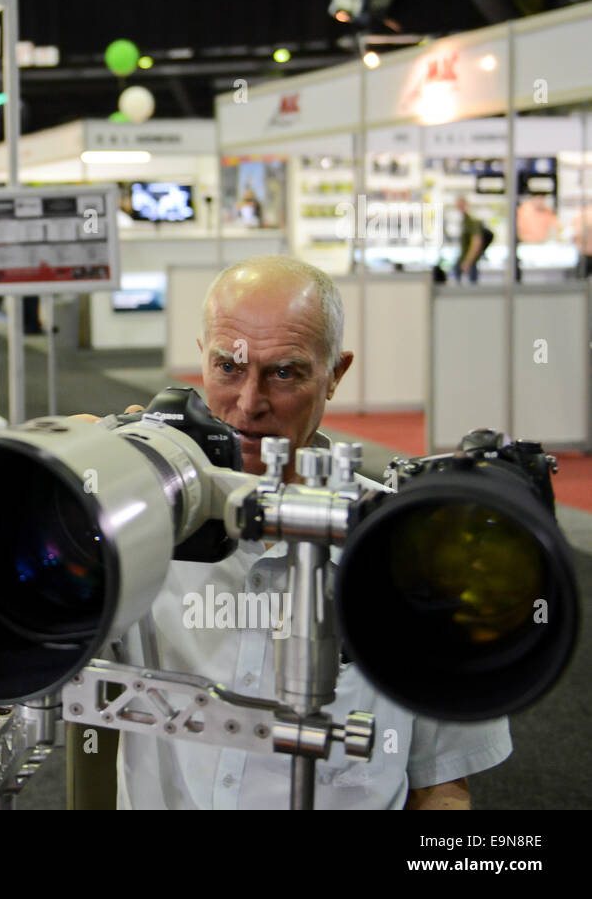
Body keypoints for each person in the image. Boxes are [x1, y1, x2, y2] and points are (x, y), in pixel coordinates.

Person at [87, 255, 511, 809]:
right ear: (204, 359)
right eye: (229, 367)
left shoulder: (409, 549)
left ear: (335, 374)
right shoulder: (141, 519)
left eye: (284, 372)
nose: (248, 404)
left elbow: (442, 787)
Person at [452, 195, 493, 284]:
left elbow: (476, 242)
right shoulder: (464, 221)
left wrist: (468, 261)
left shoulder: (470, 221)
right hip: (465, 258)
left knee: (471, 288)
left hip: (470, 260)